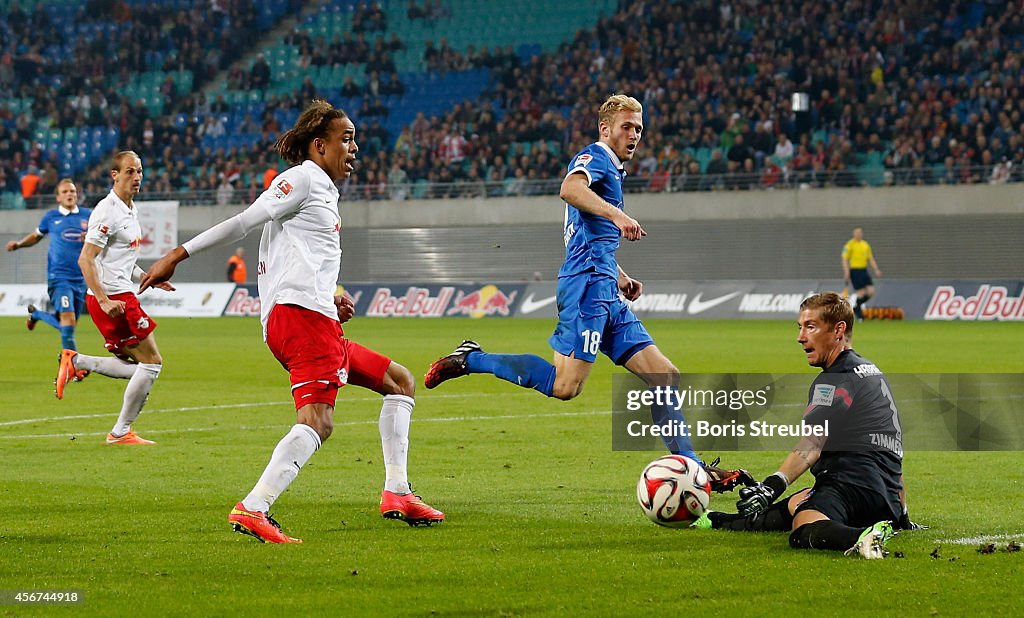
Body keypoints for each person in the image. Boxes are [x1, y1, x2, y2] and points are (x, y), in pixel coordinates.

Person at [139, 99, 444, 544]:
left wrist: (332, 297)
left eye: (354, 139)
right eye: (346, 139)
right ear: (319, 145)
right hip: (299, 319)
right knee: (318, 420)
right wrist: (175, 255)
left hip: (316, 315)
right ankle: (254, 508)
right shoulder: (301, 179)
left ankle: (398, 492)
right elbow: (243, 222)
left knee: (399, 382)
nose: (354, 148)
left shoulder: (323, 189)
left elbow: (297, 255)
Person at [424, 94, 748, 492]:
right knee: (565, 386)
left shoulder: (614, 171)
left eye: (639, 129)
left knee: (665, 376)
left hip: (605, 284)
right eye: (627, 127)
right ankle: (472, 359)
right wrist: (618, 215)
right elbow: (569, 188)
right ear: (606, 129)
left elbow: (586, 235)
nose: (634, 135)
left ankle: (695, 471)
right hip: (585, 286)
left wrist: (621, 273)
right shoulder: (595, 157)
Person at [694, 292, 926, 559]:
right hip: (885, 497)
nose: (801, 336)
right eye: (800, 327)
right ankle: (715, 520)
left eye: (811, 327)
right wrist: (902, 514)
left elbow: (812, 444)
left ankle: (861, 538)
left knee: (802, 526)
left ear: (838, 330)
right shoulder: (870, 370)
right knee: (795, 503)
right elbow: (893, 448)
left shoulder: (833, 380)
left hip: (852, 488)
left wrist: (771, 486)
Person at [55, 152, 175, 447]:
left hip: (121, 294)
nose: (137, 177)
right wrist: (104, 300)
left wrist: (148, 276)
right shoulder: (107, 211)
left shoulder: (129, 209)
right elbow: (86, 260)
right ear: (115, 175)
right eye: (131, 172)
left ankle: (77, 361)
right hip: (114, 299)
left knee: (139, 368)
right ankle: (120, 432)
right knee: (152, 364)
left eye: (140, 171)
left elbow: (120, 259)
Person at [6, 178, 91, 359]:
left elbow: (101, 241)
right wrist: (19, 245)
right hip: (59, 277)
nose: (70, 194)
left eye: (72, 191)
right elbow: (36, 236)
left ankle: (36, 314)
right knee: (67, 324)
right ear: (58, 197)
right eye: (65, 192)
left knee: (68, 324)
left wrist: (91, 238)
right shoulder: (51, 217)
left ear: (77, 195)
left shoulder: (88, 215)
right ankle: (73, 365)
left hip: (81, 278)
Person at [841, 226, 882, 319]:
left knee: (871, 291)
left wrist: (876, 269)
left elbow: (870, 258)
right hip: (855, 271)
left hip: (864, 270)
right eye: (856, 233)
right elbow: (844, 259)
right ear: (853, 234)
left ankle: (857, 306)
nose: (858, 234)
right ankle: (859, 313)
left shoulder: (865, 245)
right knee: (861, 293)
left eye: (860, 233)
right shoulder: (849, 245)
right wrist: (846, 272)